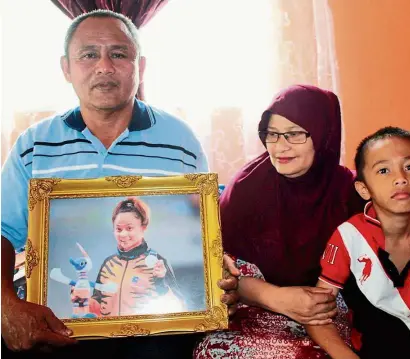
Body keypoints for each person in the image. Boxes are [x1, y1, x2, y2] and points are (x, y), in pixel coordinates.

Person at [1, 10, 239, 358]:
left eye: (118, 53)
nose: (104, 66)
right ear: (66, 68)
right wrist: (6, 304)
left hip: (156, 330)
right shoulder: (34, 144)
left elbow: (200, 236)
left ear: (139, 65)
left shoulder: (180, 141)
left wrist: (217, 282)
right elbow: (3, 230)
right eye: (89, 54)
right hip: (56, 324)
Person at [195, 85, 365, 358]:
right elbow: (215, 267)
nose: (280, 146)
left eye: (295, 133)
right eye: (272, 134)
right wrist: (275, 297)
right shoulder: (247, 187)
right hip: (252, 310)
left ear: (324, 135)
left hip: (326, 313)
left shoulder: (351, 193)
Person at [306, 127, 410, 359]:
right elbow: (316, 316)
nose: (400, 179)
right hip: (372, 345)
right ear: (364, 189)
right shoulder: (349, 237)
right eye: (384, 170)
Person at [70, 197, 185, 317]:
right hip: (110, 334)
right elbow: (98, 308)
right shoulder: (108, 264)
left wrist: (161, 282)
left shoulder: (157, 263)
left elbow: (179, 306)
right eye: (118, 229)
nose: (123, 234)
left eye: (129, 228)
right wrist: (81, 299)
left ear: (143, 227)